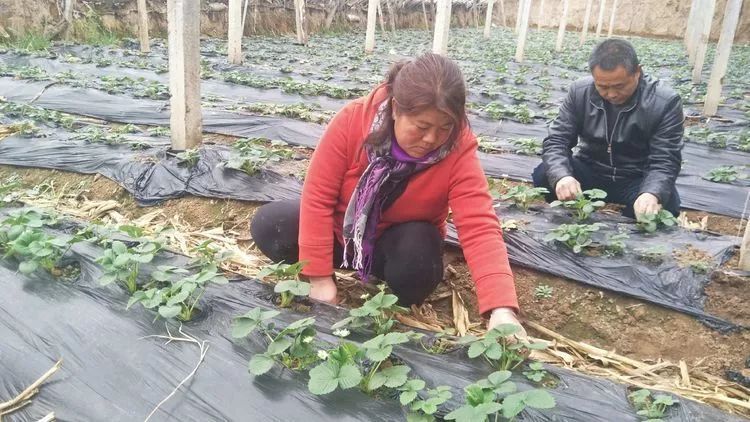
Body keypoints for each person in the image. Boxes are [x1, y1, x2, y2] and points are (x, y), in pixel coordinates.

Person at [251, 53, 523, 334]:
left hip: (396, 247)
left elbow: (480, 226)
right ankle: (343, 265)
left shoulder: (458, 149)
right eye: (422, 127)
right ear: (395, 109)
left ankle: (381, 280)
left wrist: (501, 309)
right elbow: (318, 198)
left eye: (445, 128)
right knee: (271, 225)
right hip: (343, 234)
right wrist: (319, 279)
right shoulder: (353, 121)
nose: (432, 139)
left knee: (418, 264)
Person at [532, 39, 684, 219]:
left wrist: (651, 193)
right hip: (591, 171)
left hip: (635, 179)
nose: (611, 94)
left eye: (619, 86)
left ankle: (630, 230)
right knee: (545, 174)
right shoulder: (580, 92)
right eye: (602, 86)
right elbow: (557, 140)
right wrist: (562, 177)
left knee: (665, 204)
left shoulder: (664, 102)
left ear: (638, 72)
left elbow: (665, 160)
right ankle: (573, 217)